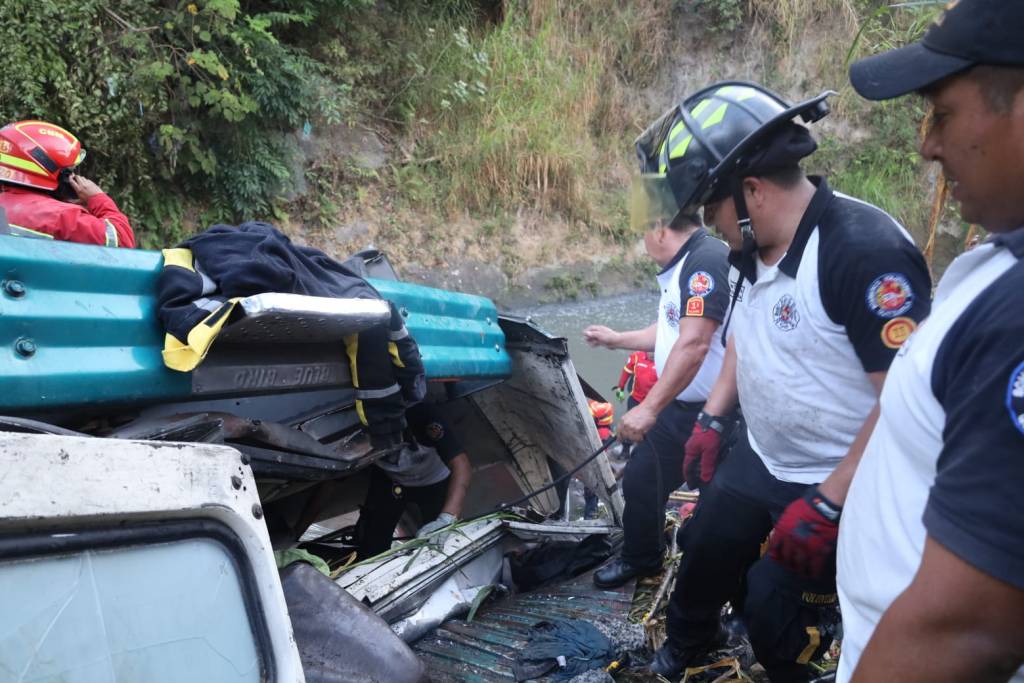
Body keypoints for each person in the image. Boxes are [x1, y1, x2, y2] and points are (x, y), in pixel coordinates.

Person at [641, 82, 932, 681]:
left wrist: (829, 501)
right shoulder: (748, 250)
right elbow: (748, 339)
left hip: (841, 474)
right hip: (765, 455)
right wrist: (713, 418)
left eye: (710, 211)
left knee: (779, 611)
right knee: (703, 551)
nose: (708, 228)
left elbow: (908, 401)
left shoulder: (862, 253)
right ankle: (690, 643)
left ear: (751, 192)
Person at [836, 3, 1024, 680]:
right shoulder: (994, 266)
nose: (926, 146)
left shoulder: (1015, 315)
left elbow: (968, 627)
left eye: (942, 114)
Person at [583, 135, 732, 590]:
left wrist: (647, 408)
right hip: (678, 407)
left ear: (661, 228)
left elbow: (694, 346)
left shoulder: (705, 262)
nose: (643, 239)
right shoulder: (682, 267)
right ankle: (642, 558)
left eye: (643, 229)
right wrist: (616, 341)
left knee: (715, 507)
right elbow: (668, 332)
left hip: (717, 413)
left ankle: (713, 581)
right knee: (643, 480)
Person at [354, 401, 472, 559]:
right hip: (391, 480)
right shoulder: (353, 427)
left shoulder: (423, 416)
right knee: (370, 545)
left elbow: (462, 465)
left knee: (438, 545)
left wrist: (447, 517)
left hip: (434, 481)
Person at [0, 120, 135, 247]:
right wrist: (98, 198)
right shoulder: (63, 217)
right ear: (47, 168)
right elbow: (122, 241)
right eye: (68, 171)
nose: (72, 176)